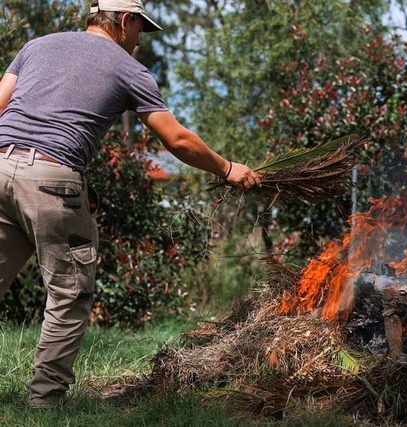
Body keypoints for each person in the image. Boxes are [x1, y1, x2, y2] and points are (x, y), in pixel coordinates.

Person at [0, 0, 261, 408]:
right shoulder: (128, 69)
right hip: (51, 179)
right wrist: (227, 168)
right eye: (141, 30)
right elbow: (175, 140)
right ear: (125, 22)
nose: (140, 42)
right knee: (70, 294)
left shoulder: (37, 45)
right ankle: (45, 403)